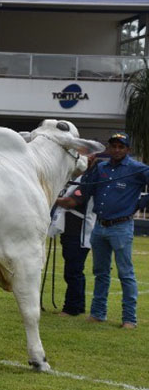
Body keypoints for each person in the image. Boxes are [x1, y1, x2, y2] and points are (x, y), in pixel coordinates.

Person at [56, 132, 149, 329]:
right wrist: (86, 171)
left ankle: (129, 319)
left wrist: (139, 203)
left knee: (125, 273)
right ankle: (98, 313)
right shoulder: (101, 167)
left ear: (128, 150)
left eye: (120, 147)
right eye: (113, 146)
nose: (116, 150)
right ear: (109, 148)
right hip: (99, 227)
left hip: (121, 227)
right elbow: (86, 189)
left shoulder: (137, 168)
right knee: (100, 272)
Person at [50, 155, 97, 317]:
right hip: (70, 231)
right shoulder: (78, 177)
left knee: (73, 271)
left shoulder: (87, 180)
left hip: (78, 232)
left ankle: (71, 308)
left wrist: (50, 197)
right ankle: (78, 306)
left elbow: (71, 202)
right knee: (74, 269)